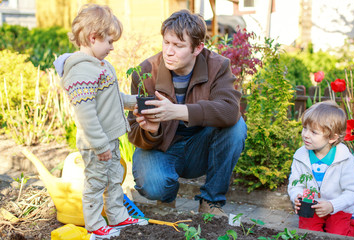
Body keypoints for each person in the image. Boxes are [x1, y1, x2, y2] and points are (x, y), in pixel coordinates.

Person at [127, 9, 247, 217]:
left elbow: (229, 110)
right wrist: (152, 131)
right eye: (166, 43)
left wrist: (177, 111)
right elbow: (133, 131)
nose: (169, 52)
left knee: (237, 127)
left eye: (179, 46)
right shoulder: (146, 72)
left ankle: (210, 201)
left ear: (197, 48)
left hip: (199, 145)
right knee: (154, 185)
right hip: (162, 147)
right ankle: (166, 199)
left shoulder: (217, 66)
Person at [53, 4, 147, 238]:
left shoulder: (100, 65)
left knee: (114, 180)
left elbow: (113, 99)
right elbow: (86, 115)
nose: (112, 48)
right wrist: (100, 145)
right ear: (93, 37)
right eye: (109, 42)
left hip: (109, 139)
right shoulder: (81, 71)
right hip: (97, 144)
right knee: (96, 183)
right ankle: (95, 225)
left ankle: (117, 217)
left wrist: (138, 101)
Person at [288, 101, 354, 237]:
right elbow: (295, 184)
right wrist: (296, 196)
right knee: (307, 234)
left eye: (314, 132)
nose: (306, 135)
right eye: (305, 128)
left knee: (337, 235)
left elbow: (353, 193)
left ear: (332, 137)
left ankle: (353, 227)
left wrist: (332, 205)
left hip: (339, 209)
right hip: (311, 207)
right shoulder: (300, 156)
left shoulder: (344, 158)